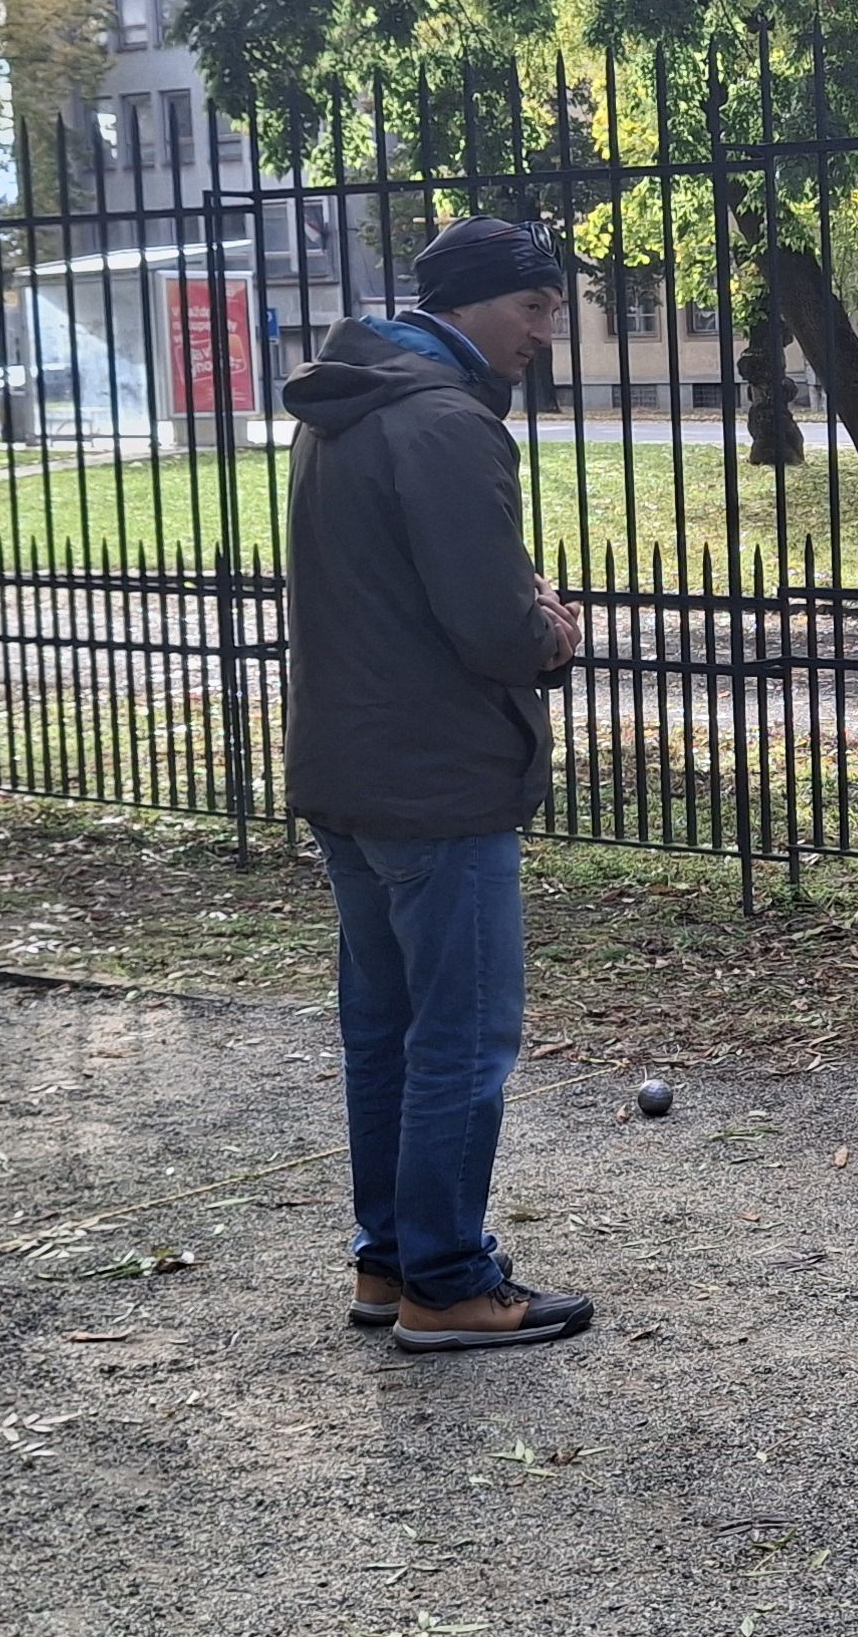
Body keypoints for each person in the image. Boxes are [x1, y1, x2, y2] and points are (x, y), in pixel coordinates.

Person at [285, 217, 596, 1354]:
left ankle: (390, 1261)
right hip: (438, 779)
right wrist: (547, 627)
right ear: (467, 304)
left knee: (386, 1032)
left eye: (552, 308)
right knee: (460, 1038)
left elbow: (395, 585)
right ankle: (450, 1282)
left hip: (352, 766)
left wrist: (511, 606)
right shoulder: (446, 422)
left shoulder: (348, 406)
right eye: (532, 307)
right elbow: (489, 627)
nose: (545, 332)